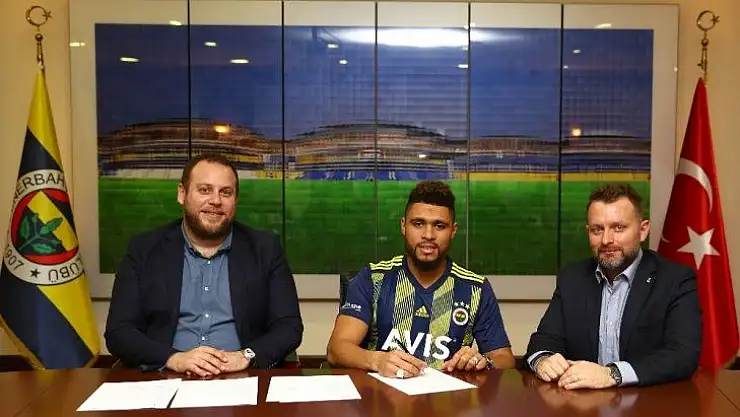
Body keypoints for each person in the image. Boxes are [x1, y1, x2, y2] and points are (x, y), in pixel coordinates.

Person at [105, 153, 303, 376]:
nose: (215, 201)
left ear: (235, 199)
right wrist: (173, 358)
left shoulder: (265, 249)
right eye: (205, 190)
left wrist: (246, 356)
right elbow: (119, 331)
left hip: (242, 377)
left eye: (225, 192)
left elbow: (289, 326)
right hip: (166, 376)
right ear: (182, 194)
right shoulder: (144, 249)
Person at [327, 180, 515, 378]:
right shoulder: (373, 279)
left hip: (450, 395)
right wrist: (377, 360)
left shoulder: (475, 288)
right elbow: (337, 349)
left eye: (439, 226)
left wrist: (483, 361)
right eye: (418, 224)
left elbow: (504, 357)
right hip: (383, 395)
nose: (428, 235)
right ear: (403, 226)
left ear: (453, 231)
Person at [526, 183, 702, 389]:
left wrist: (612, 374)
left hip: (649, 402)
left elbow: (683, 355)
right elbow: (544, 339)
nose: (606, 240)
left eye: (618, 228)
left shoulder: (675, 279)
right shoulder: (573, 277)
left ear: (643, 230)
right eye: (597, 229)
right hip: (581, 402)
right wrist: (544, 360)